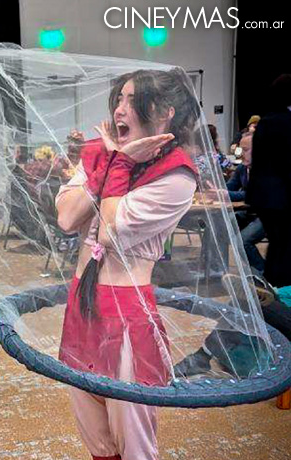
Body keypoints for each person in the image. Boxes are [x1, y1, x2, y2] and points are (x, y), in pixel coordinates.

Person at [56, 68, 199, 460]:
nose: (119, 109)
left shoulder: (177, 175)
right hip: (81, 303)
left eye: (132, 100)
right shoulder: (101, 154)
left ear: (164, 112)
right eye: (118, 98)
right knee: (94, 432)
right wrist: (110, 163)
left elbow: (109, 233)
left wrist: (117, 165)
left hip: (125, 314)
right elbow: (67, 218)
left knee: (132, 438)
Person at [247, 74, 291, 288]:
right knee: (284, 246)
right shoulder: (286, 122)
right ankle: (279, 288)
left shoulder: (266, 121)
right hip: (280, 196)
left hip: (262, 195)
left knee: (278, 244)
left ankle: (271, 285)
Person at [226, 132, 266, 275]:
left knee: (242, 241)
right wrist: (217, 189)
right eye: (240, 149)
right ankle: (216, 269)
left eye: (246, 150)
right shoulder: (242, 168)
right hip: (249, 211)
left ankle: (264, 274)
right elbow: (230, 187)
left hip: (268, 214)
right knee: (220, 226)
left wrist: (224, 193)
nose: (241, 154)